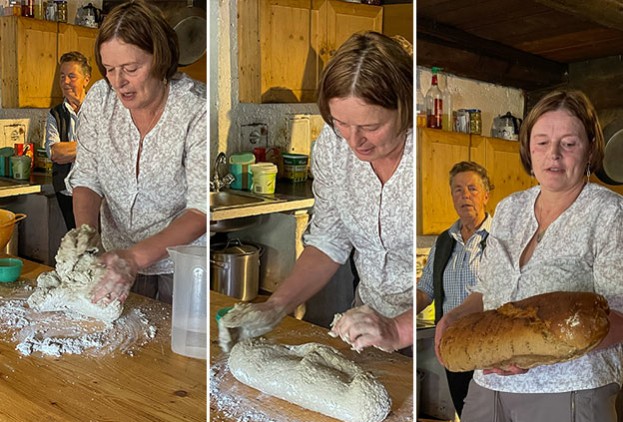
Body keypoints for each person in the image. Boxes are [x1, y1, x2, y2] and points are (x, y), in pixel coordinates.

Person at [435, 89, 623, 422]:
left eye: (568, 143)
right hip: (490, 383)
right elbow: (487, 291)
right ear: (528, 148)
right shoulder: (509, 209)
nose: (553, 155)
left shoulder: (609, 213)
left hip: (569, 390)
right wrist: (458, 315)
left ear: (590, 150)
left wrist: (531, 353)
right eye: (542, 142)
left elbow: (621, 316)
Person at [219, 31, 413, 354]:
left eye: (370, 126)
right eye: (341, 123)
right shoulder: (333, 147)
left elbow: (451, 272)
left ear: (404, 109)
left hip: (432, 328)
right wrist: (275, 307)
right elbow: (328, 241)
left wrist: (398, 329)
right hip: (367, 323)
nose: (354, 141)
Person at [66, 0, 206, 305]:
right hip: (116, 259)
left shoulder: (196, 109)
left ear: (160, 59)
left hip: (179, 264)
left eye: (131, 69)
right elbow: (87, 179)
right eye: (110, 69)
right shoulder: (101, 101)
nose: (119, 82)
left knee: (174, 349)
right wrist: (87, 236)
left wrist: (135, 258)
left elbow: (200, 210)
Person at [417, 161, 493, 417]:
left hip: (490, 346)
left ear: (486, 195)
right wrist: (393, 315)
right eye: (458, 190)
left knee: (493, 417)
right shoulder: (444, 241)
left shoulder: (502, 239)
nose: (465, 196)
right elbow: (425, 290)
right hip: (452, 347)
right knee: (466, 413)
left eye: (472, 188)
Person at [45, 51, 92, 231]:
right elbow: (55, 153)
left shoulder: (99, 111)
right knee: (77, 244)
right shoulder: (55, 114)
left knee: (98, 246)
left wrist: (71, 151)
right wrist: (92, 148)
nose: (65, 82)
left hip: (97, 193)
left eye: (71, 76)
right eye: (62, 76)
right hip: (66, 192)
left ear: (86, 79)